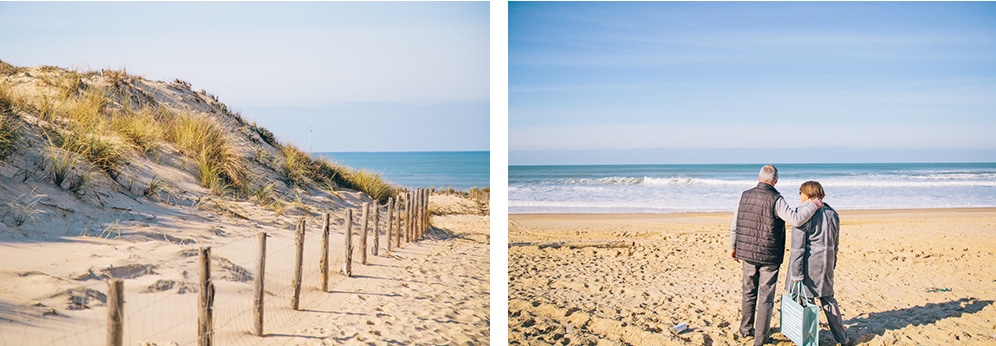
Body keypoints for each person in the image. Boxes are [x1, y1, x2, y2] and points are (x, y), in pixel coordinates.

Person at [730, 164, 823, 346]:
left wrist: (733, 245)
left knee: (748, 292)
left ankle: (746, 329)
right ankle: (760, 338)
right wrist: (813, 205)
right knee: (766, 296)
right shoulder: (776, 198)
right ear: (776, 181)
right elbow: (795, 219)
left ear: (759, 178)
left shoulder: (745, 195)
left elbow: (735, 222)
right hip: (769, 255)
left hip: (747, 252)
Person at [787, 181, 853, 346]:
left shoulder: (802, 213)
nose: (800, 196)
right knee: (828, 300)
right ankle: (842, 337)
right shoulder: (832, 213)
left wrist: (795, 273)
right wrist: (833, 262)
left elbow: (798, 248)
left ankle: (809, 340)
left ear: (806, 194)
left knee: (807, 301)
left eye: (800, 193)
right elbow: (835, 243)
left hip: (809, 265)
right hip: (826, 262)